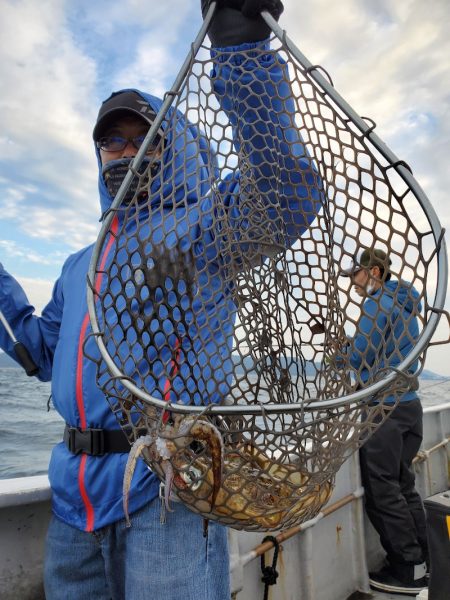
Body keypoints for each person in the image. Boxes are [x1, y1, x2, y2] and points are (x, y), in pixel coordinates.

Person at [0, 2, 323, 599]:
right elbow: (41, 353)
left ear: (174, 144)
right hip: (74, 500)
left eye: (143, 138)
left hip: (169, 487)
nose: (125, 152)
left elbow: (283, 186)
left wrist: (241, 47)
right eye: (111, 143)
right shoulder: (79, 264)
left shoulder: (209, 229)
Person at [340, 247, 428, 596]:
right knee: (404, 486)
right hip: (410, 406)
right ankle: (425, 558)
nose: (354, 283)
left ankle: (407, 569)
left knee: (383, 492)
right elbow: (384, 349)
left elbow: (360, 354)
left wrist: (337, 350)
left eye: (356, 275)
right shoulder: (406, 304)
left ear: (374, 272)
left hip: (383, 409)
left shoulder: (377, 304)